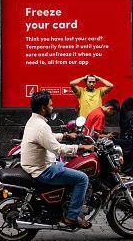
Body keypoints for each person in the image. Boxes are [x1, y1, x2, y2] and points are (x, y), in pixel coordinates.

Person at [21, 90, 95, 228]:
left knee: (70, 167)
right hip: (43, 169)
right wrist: (81, 147)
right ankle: (71, 216)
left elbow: (47, 138)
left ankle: (67, 204)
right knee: (82, 178)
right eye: (50, 105)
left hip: (41, 165)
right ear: (43, 108)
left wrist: (65, 136)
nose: (52, 107)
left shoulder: (34, 121)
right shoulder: (41, 126)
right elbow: (58, 149)